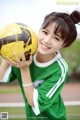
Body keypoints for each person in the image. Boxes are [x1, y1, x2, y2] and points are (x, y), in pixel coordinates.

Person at [0, 10, 80, 120]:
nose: (47, 40)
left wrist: (25, 69)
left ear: (64, 44)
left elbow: (33, 102)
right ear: (39, 29)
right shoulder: (26, 52)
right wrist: (7, 51)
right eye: (45, 32)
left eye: (56, 38)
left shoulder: (59, 69)